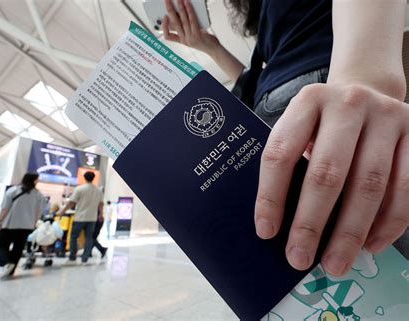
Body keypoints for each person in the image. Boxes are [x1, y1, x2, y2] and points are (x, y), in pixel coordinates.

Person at [162, 0, 408, 276]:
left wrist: (364, 78)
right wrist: (211, 48)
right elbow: (262, 77)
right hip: (274, 116)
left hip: (323, 96)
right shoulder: (266, 19)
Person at [0, 173, 44, 279]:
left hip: (9, 224)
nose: (38, 181)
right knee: (18, 247)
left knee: (2, 244)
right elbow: (39, 211)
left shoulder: (13, 191)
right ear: (33, 180)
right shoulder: (38, 195)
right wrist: (33, 223)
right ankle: (11, 269)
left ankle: (6, 263)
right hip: (26, 226)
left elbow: (4, 208)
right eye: (37, 179)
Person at [58, 171, 106, 265]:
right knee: (89, 238)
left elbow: (72, 202)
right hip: (92, 218)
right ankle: (85, 258)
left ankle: (72, 256)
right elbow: (101, 203)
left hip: (80, 217)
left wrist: (62, 211)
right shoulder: (98, 190)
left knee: (74, 236)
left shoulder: (79, 189)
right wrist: (100, 214)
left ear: (84, 178)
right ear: (93, 178)